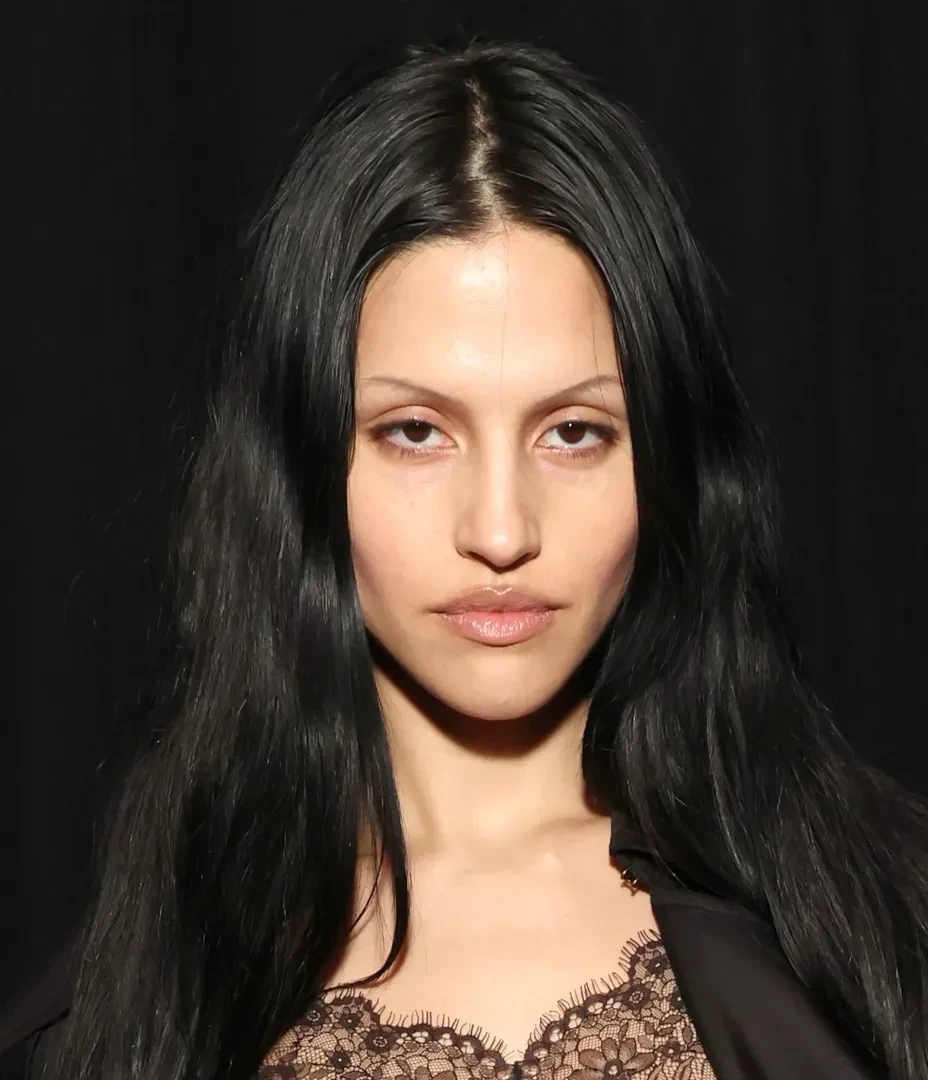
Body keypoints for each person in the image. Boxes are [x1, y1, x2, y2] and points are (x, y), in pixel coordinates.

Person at [9, 34, 928, 1080]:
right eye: (416, 432)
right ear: (301, 463)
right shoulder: (122, 1013)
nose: (500, 531)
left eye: (573, 433)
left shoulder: (881, 933)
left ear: (671, 462)